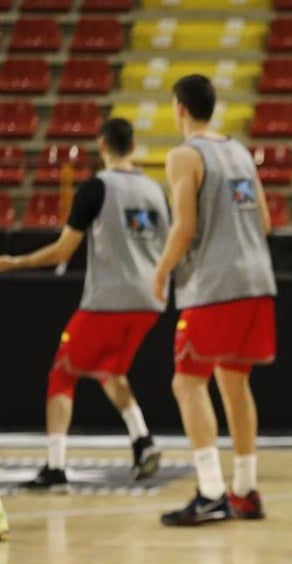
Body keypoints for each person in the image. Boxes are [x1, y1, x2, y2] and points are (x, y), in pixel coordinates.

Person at [0, 118, 167, 490]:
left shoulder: (95, 188)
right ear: (135, 145)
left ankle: (56, 467)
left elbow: (62, 250)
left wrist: (15, 262)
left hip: (109, 299)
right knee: (109, 370)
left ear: (102, 145)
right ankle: (142, 441)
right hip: (150, 301)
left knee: (63, 373)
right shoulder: (157, 191)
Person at [152, 74, 277, 526]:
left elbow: (183, 226)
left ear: (180, 108)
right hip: (257, 281)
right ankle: (244, 490)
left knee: (186, 382)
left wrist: (161, 270)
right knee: (234, 383)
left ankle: (208, 492)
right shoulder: (240, 151)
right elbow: (263, 220)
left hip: (215, 285)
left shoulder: (184, 155)